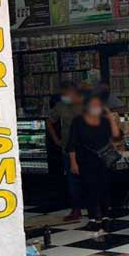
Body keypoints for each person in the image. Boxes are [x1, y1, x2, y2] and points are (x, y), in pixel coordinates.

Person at [67, 94, 122, 233]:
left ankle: (105, 217)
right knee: (89, 188)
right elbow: (71, 143)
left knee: (104, 187)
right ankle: (92, 218)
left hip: (103, 160)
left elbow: (116, 135)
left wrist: (110, 116)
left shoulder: (104, 121)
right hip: (85, 159)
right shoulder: (78, 121)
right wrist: (73, 163)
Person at [47, 81, 83, 221]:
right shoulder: (60, 106)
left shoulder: (84, 104)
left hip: (85, 147)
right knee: (72, 179)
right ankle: (76, 209)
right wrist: (56, 139)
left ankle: (96, 208)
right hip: (68, 147)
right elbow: (49, 121)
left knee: (89, 178)